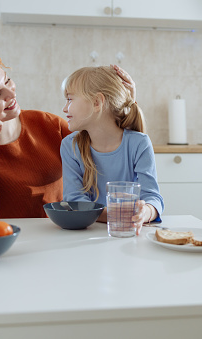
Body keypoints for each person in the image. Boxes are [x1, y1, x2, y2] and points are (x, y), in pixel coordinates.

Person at [0, 45, 136, 218]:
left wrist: (123, 108)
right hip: (4, 253)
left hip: (62, 243)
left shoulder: (48, 125)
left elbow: (114, 158)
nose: (11, 94)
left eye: (7, 81)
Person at [60, 66, 164, 234]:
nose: (65, 108)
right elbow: (75, 200)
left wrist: (145, 212)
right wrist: (120, 214)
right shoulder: (70, 146)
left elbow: (153, 197)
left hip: (129, 233)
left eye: (70, 99)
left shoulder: (139, 143)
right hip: (88, 235)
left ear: (96, 103)